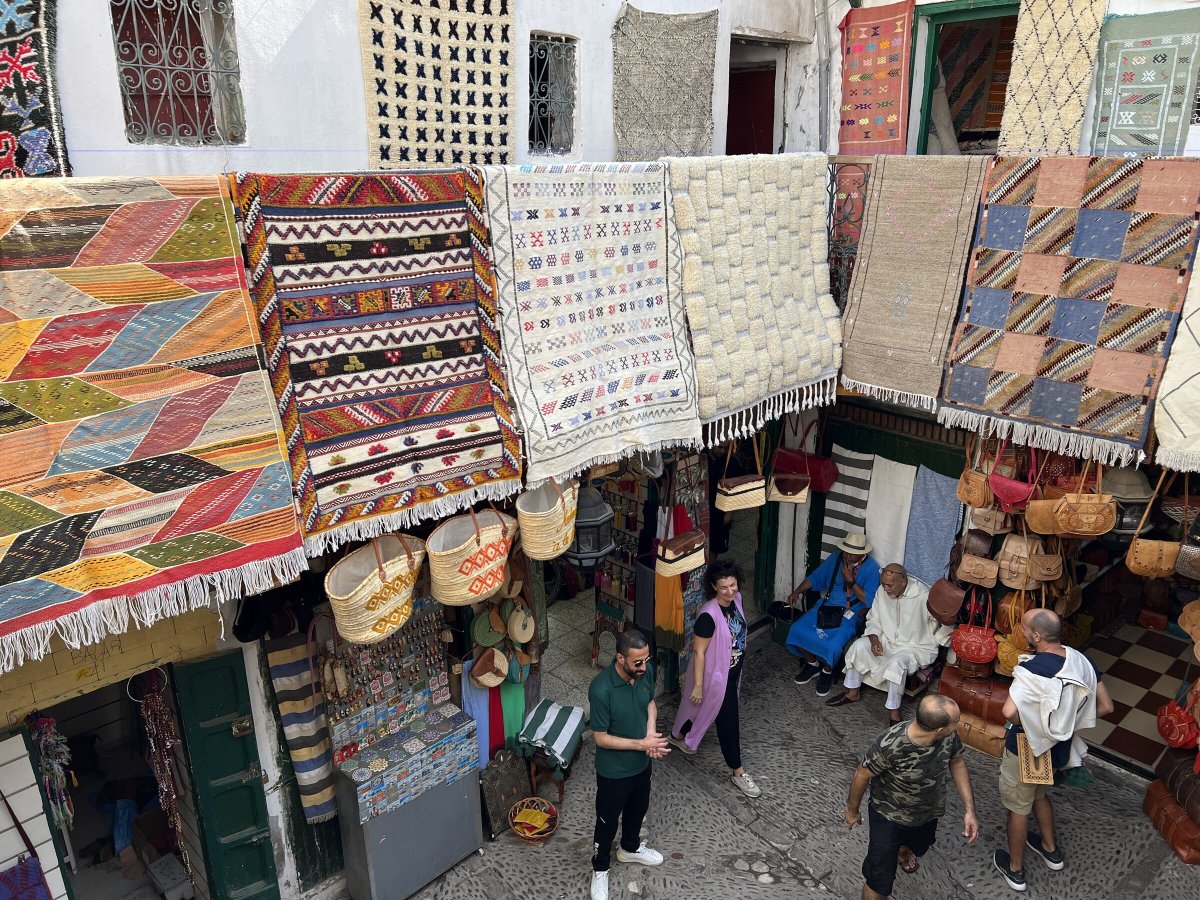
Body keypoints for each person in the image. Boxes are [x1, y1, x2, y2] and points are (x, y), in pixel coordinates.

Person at [993, 608, 1114, 893]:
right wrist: (1065, 723)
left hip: (1026, 748)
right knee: (1040, 794)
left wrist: (1040, 727)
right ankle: (1050, 849)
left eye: (1022, 628)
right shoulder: (1081, 659)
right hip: (1060, 749)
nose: (1020, 632)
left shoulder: (1031, 671)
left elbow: (1009, 712)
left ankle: (1016, 870)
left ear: (1035, 636)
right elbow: (1107, 706)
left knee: (1018, 808)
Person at [846, 694, 980, 900]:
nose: (959, 724)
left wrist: (970, 810)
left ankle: (903, 850)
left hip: (928, 812)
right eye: (957, 722)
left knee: (919, 845)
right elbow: (861, 774)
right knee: (878, 882)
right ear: (940, 729)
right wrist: (852, 810)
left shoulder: (948, 736)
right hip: (888, 818)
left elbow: (957, 761)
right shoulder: (890, 744)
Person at [667, 559, 761, 799]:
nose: (730, 591)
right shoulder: (708, 616)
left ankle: (678, 737)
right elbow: (698, 652)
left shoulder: (737, 601)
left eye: (733, 585)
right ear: (713, 587)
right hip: (715, 678)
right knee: (728, 722)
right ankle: (738, 772)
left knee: (694, 708)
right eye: (724, 587)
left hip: (732, 673)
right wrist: (698, 685)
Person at [587, 629, 670, 900]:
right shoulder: (601, 689)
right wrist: (642, 745)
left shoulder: (645, 671)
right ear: (620, 658)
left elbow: (650, 703)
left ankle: (630, 848)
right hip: (613, 772)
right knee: (606, 821)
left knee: (638, 809)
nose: (644, 667)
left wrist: (650, 733)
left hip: (641, 765)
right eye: (638, 662)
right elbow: (600, 738)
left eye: (647, 659)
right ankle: (600, 868)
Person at [827, 564, 953, 724]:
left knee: (896, 664)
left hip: (915, 647)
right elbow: (874, 618)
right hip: (886, 641)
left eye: (889, 585)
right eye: (883, 584)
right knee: (858, 646)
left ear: (903, 582)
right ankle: (853, 692)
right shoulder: (882, 592)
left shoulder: (923, 596)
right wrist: (873, 639)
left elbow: (946, 621)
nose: (885, 589)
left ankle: (894, 712)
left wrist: (937, 640)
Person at [787, 532, 882, 697]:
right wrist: (797, 591)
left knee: (832, 645)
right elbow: (816, 577)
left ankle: (827, 671)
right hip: (827, 605)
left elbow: (869, 601)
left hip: (852, 612)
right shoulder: (837, 558)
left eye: (851, 553)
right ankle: (813, 663)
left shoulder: (872, 569)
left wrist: (850, 581)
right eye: (845, 551)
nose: (847, 555)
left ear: (862, 554)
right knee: (796, 630)